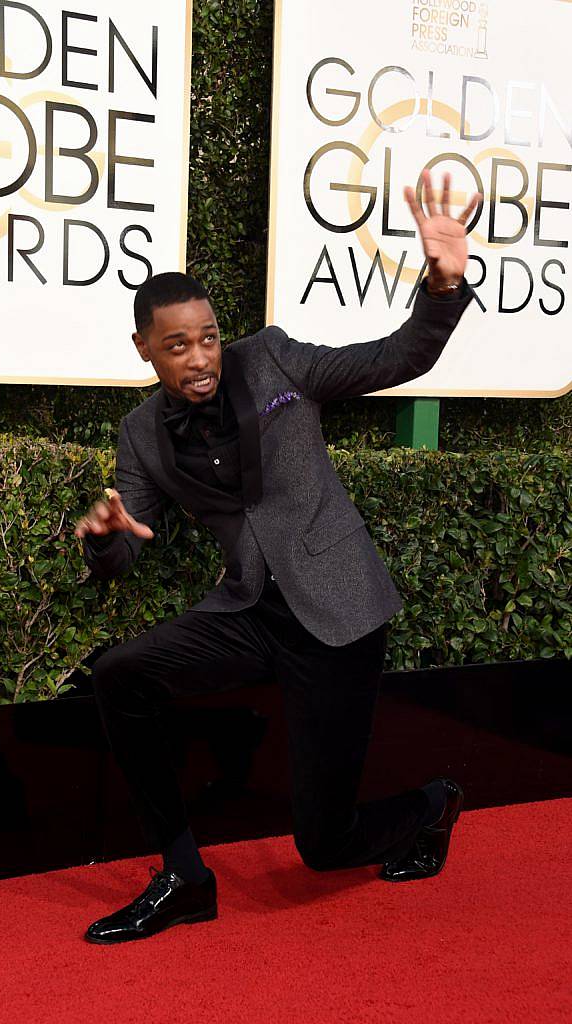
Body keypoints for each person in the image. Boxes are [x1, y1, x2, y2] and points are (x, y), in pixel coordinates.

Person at [75, 169, 481, 944]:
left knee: (324, 846)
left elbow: (398, 356)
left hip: (338, 612)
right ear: (144, 348)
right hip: (249, 608)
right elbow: (131, 541)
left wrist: (440, 287)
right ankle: (185, 875)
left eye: (207, 337)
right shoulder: (141, 433)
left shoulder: (275, 361)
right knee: (120, 675)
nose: (199, 358)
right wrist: (105, 542)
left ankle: (433, 804)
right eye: (176, 346)